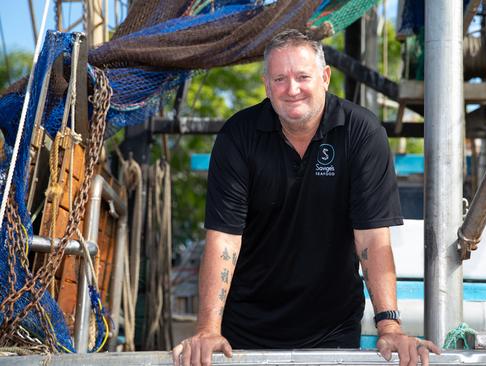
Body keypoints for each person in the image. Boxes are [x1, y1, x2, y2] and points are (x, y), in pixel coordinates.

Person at [172, 29, 440, 366]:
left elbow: (371, 236)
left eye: (302, 76)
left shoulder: (361, 133)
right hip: (247, 328)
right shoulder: (238, 136)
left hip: (332, 330)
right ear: (267, 85)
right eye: (280, 79)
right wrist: (208, 328)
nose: (292, 88)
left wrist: (389, 325)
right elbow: (224, 238)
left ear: (325, 77)